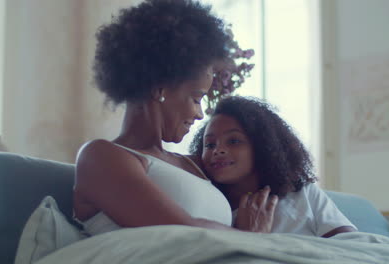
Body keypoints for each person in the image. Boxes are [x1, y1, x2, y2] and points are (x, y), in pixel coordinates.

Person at [73, 0, 277, 236]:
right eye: (196, 98)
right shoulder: (100, 157)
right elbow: (182, 233)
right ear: (160, 88)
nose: (200, 114)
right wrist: (249, 237)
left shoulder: (195, 164)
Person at [189, 96, 357, 237]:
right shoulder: (208, 210)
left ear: (263, 147)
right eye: (210, 145)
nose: (218, 151)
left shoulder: (304, 193)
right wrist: (251, 237)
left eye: (233, 141)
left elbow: (354, 247)